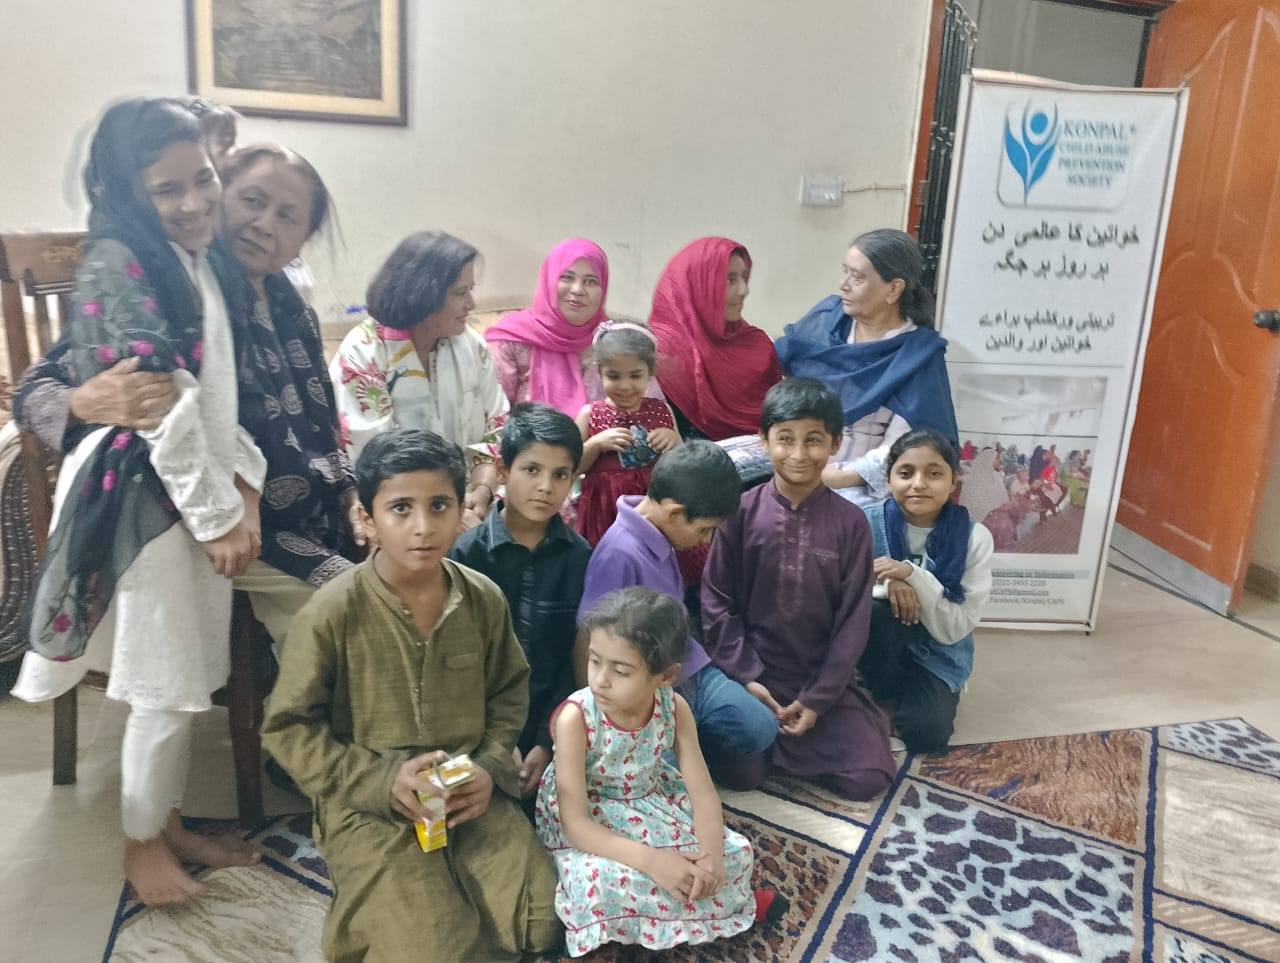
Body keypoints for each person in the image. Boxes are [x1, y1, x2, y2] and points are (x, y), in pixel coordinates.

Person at [13, 98, 264, 905]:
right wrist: (217, 515)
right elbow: (158, 404)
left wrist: (238, 488)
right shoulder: (118, 262)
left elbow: (218, 390)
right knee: (163, 681)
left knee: (187, 674)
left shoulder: (193, 257)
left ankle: (169, 820)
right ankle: (140, 844)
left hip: (190, 488)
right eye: (167, 189)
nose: (194, 201)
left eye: (204, 179)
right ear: (126, 190)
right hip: (143, 500)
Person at [11, 143, 358, 647]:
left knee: (424, 571)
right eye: (252, 200)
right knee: (360, 613)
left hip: (312, 505)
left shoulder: (294, 311)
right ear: (219, 198)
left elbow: (323, 431)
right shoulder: (173, 293)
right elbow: (33, 390)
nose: (264, 224)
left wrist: (353, 494)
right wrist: (83, 402)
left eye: (287, 216)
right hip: (217, 522)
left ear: (303, 239)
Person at [261, 429, 560, 961]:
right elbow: (288, 728)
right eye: (401, 508)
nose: (423, 527)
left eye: (439, 505)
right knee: (435, 948)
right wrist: (381, 782)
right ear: (367, 518)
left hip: (467, 793)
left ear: (460, 509)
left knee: (542, 923)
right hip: (371, 806)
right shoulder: (332, 612)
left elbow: (509, 693)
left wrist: (488, 768)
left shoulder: (482, 598)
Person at [537, 587, 783, 956]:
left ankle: (737, 903)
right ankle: (627, 932)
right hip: (592, 820)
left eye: (620, 670)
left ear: (666, 676)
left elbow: (702, 793)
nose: (600, 680)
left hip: (650, 800)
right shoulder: (576, 718)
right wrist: (653, 862)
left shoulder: (675, 707)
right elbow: (576, 825)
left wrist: (712, 855)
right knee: (598, 882)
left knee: (734, 853)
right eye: (595, 661)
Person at [701, 378, 894, 799]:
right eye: (786, 439)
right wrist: (747, 676)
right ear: (764, 440)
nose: (799, 454)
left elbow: (853, 622)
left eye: (813, 440)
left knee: (869, 777)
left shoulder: (851, 523)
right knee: (741, 774)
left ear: (835, 443)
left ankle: (813, 734)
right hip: (753, 674)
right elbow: (716, 603)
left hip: (819, 678)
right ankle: (769, 744)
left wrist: (819, 698)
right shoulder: (740, 512)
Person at [577, 441, 779, 776]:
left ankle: (685, 736)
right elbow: (589, 637)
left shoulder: (663, 534)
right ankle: (674, 744)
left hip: (687, 672)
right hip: (643, 691)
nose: (706, 540)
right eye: (704, 530)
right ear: (674, 513)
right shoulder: (619, 554)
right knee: (667, 787)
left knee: (760, 727)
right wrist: (602, 715)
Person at [449, 402, 591, 800]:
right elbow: (461, 661)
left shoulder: (580, 558)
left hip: (553, 726)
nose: (546, 486)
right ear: (503, 470)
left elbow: (573, 660)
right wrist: (497, 741)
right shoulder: (467, 556)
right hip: (477, 723)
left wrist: (547, 743)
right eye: (531, 470)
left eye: (560, 475)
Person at [330, 231, 508, 528]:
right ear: (425, 294)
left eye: (471, 290)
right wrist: (446, 511)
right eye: (460, 293)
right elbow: (373, 460)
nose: (471, 303)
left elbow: (498, 425)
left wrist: (482, 490)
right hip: (399, 514)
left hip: (472, 506)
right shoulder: (364, 352)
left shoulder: (471, 346)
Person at [775, 229, 956, 509]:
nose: (844, 285)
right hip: (794, 463)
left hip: (860, 486)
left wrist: (840, 477)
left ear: (893, 289)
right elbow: (780, 391)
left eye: (857, 278)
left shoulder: (916, 355)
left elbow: (908, 446)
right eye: (845, 272)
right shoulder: (826, 320)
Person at [859, 429, 993, 752]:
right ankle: (881, 692)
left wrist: (912, 574)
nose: (919, 484)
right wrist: (889, 584)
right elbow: (838, 595)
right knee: (876, 610)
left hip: (938, 652)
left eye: (934, 474)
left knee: (927, 735)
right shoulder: (863, 524)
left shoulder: (975, 538)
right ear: (888, 480)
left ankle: (927, 692)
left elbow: (956, 627)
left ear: (953, 480)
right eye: (906, 473)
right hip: (878, 650)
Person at [485, 238, 660, 415]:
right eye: (567, 277)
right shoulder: (512, 339)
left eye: (591, 281)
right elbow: (492, 414)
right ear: (549, 280)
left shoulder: (616, 339)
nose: (577, 290)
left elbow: (649, 410)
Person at [647, 237, 782, 442]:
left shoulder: (759, 347)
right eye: (729, 280)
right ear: (696, 285)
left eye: (744, 278)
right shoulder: (660, 353)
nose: (744, 290)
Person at [574, 322, 681, 545]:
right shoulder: (590, 414)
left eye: (635, 376)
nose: (624, 386)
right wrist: (595, 444)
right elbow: (571, 467)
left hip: (654, 504)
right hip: (606, 510)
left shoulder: (662, 410)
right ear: (600, 372)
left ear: (650, 373)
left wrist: (672, 440)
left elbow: (683, 460)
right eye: (614, 376)